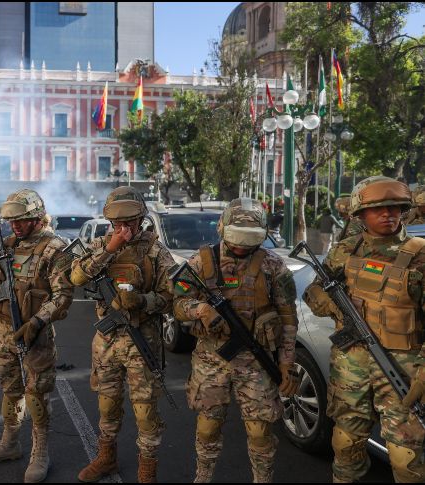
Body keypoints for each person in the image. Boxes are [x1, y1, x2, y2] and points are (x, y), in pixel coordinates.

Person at [304, 176, 425, 483]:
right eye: (378, 209)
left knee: (405, 458)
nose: (389, 214)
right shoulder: (345, 251)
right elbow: (314, 290)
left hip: (402, 369)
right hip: (350, 363)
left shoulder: (420, 255)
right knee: (346, 443)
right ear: (360, 215)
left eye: (395, 208)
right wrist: (332, 304)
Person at [173, 198, 300, 483]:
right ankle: (203, 477)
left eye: (249, 239)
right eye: (237, 238)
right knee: (207, 427)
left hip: (257, 363)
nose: (242, 246)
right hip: (211, 359)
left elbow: (288, 318)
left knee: (260, 432)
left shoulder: (273, 265)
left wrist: (286, 364)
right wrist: (201, 310)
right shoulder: (200, 262)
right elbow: (178, 305)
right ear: (223, 229)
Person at [70, 186, 177, 483]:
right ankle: (106, 458)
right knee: (107, 403)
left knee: (145, 411)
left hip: (143, 344)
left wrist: (144, 301)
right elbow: (77, 276)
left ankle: (147, 470)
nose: (123, 228)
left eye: (129, 222)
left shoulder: (155, 251)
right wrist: (110, 248)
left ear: (140, 218)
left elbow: (173, 297)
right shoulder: (100, 245)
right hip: (106, 343)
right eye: (117, 223)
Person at [0, 189, 74, 483]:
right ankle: (9, 443)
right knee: (10, 389)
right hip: (5, 330)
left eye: (21, 220)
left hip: (36, 334)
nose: (15, 226)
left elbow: (64, 295)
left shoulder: (55, 248)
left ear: (35, 217)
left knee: (37, 394)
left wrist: (37, 322)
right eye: (11, 222)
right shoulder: (6, 244)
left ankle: (40, 452)